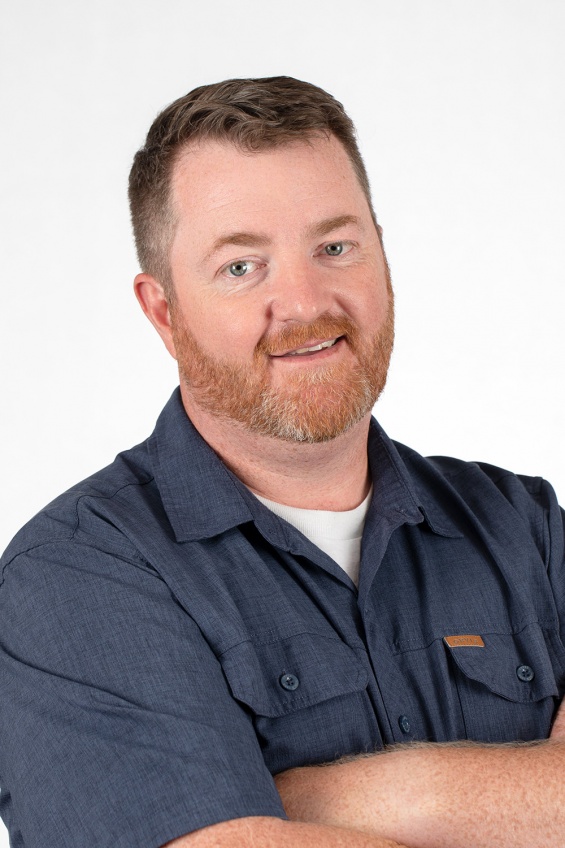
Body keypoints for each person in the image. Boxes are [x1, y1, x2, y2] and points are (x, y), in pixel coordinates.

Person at [1, 76, 564, 848]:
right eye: (242, 266)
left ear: (381, 254)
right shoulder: (74, 579)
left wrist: (360, 798)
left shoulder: (524, 528)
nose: (304, 303)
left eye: (334, 248)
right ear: (164, 311)